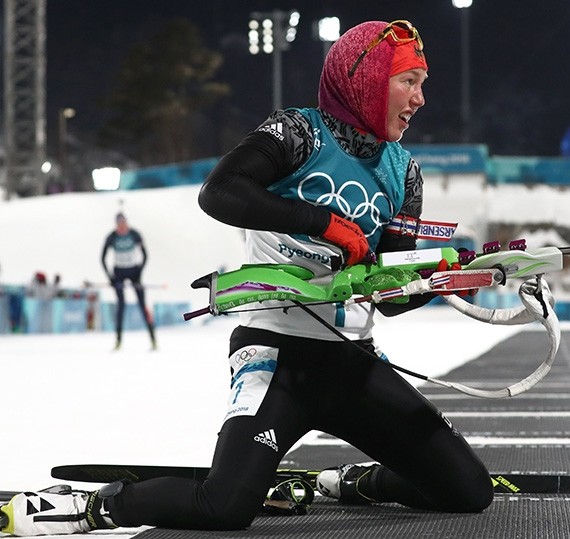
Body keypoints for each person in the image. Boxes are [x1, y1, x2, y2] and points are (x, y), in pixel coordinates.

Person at [0, 20, 493, 536]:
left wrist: (447, 278)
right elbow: (219, 191)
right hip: (277, 358)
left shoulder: (404, 171)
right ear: (366, 79)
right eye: (408, 81)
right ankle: (91, 509)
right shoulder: (298, 132)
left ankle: (354, 483)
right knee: (225, 507)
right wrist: (322, 222)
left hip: (354, 363)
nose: (419, 98)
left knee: (468, 491)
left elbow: (389, 296)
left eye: (422, 82)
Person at [100, 212, 157, 350]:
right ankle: (118, 340)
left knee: (142, 304)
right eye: (119, 224)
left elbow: (145, 255)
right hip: (118, 272)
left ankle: (153, 339)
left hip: (134, 271)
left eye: (123, 223)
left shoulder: (134, 234)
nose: (122, 227)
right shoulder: (111, 237)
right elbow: (102, 258)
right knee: (121, 305)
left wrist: (139, 272)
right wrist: (110, 278)